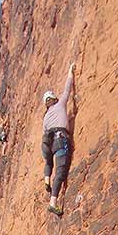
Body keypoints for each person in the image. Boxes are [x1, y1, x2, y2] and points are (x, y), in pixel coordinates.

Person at [42, 63, 75, 217]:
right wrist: (70, 71)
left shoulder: (46, 118)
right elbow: (68, 89)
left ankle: (47, 179)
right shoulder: (60, 104)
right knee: (61, 171)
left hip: (52, 144)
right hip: (61, 141)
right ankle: (53, 202)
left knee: (50, 164)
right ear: (54, 99)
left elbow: (44, 139)